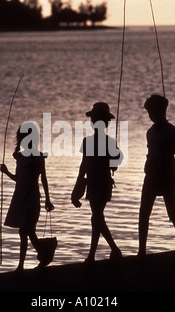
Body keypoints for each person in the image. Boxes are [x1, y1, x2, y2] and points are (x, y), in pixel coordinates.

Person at [138, 94, 175, 256]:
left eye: (153, 111)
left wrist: (170, 147)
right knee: (144, 212)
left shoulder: (174, 131)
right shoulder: (150, 132)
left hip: (168, 174)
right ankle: (141, 251)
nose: (151, 115)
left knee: (172, 210)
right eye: (149, 112)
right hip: (151, 175)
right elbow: (150, 151)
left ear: (163, 110)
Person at [72, 102, 123, 263]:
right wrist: (77, 189)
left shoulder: (101, 142)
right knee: (96, 217)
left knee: (97, 217)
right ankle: (97, 253)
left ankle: (107, 251)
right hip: (94, 183)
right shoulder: (93, 142)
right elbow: (84, 166)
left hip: (101, 183)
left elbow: (114, 161)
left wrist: (77, 188)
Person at [0, 122, 55, 271]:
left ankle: (21, 266)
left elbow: (43, 178)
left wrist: (47, 199)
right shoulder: (21, 157)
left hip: (32, 198)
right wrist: (6, 172)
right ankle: (44, 254)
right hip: (20, 197)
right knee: (28, 231)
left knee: (24, 231)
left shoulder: (37, 157)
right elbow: (18, 178)